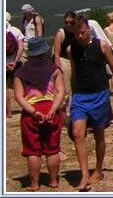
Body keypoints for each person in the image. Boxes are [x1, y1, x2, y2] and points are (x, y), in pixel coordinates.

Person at [68, 15, 113, 192]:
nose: (80, 36)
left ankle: (98, 169)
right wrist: (70, 96)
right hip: (80, 96)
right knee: (78, 133)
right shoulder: (71, 49)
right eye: (77, 33)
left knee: (99, 135)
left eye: (82, 32)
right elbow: (73, 73)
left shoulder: (101, 46)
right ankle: (84, 175)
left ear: (89, 29)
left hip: (99, 95)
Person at [13, 36, 66, 191]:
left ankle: (35, 184)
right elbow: (61, 91)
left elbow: (19, 96)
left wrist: (33, 111)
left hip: (31, 114)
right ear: (44, 51)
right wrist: (52, 110)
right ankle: (53, 181)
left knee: (32, 150)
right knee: (52, 149)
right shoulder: (54, 70)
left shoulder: (20, 73)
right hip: (50, 110)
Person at [6, 11, 24, 118]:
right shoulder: (15, 31)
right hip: (15, 63)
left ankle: (8, 112)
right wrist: (15, 61)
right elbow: (21, 47)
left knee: (5, 89)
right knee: (20, 87)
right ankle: (26, 108)